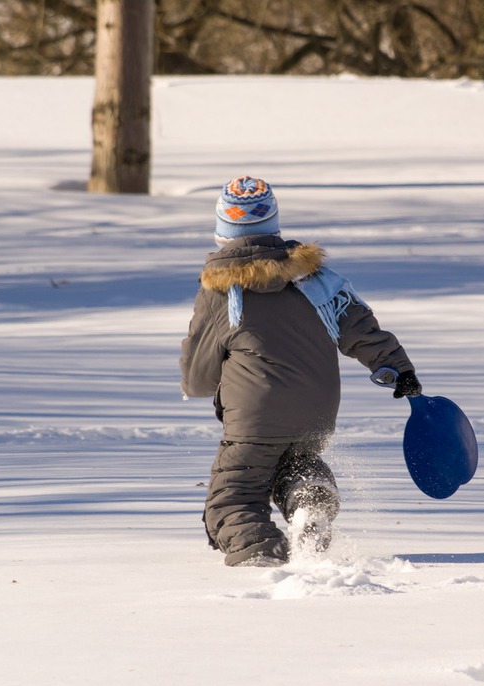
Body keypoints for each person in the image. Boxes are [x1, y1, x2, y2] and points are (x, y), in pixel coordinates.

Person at [180, 176, 421, 567]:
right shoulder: (313, 279)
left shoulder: (221, 293)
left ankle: (261, 554)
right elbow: (361, 328)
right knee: (296, 463)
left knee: (235, 494)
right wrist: (399, 370)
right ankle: (310, 500)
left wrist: (203, 384)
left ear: (223, 231)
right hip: (317, 410)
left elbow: (199, 376)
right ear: (272, 223)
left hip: (255, 419)